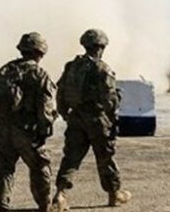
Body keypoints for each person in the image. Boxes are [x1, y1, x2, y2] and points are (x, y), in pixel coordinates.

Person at [51, 29, 131, 210]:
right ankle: (114, 194)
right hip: (97, 120)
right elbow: (110, 101)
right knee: (105, 158)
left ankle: (59, 195)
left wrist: (65, 113)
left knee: (71, 158)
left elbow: (61, 91)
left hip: (76, 118)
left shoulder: (71, 66)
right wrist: (115, 105)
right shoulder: (103, 69)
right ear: (101, 47)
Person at [0, 32, 57, 212]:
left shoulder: (5, 70)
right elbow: (46, 106)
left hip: (3, 129)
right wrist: (44, 129)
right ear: (40, 52)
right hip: (26, 131)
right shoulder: (39, 73)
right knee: (40, 167)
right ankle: (45, 205)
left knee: (5, 170)